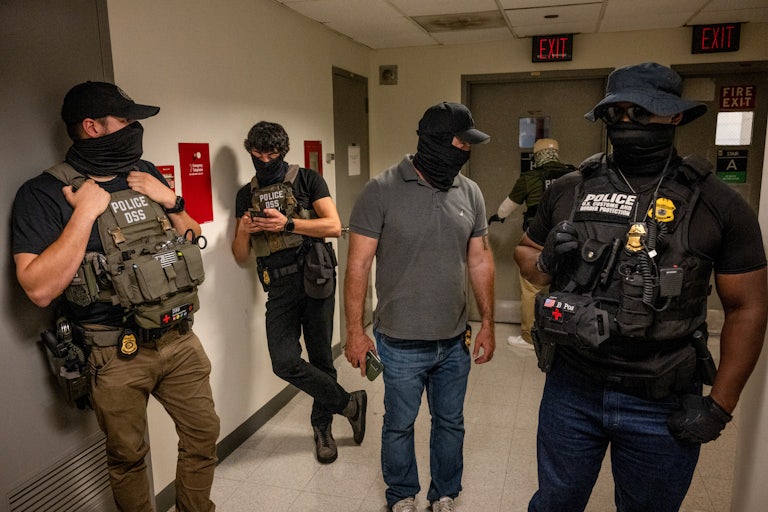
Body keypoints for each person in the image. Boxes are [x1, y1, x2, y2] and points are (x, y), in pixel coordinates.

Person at [514, 62, 767, 512]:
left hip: (660, 398)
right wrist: (548, 258)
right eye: (617, 113)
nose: (627, 122)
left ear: (674, 116)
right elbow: (528, 261)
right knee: (555, 502)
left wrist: (720, 405)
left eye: (642, 111)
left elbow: (747, 307)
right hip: (572, 389)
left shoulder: (717, 203)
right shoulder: (570, 189)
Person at [12, 81, 220, 511]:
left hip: (178, 337)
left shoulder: (143, 172)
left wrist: (172, 198)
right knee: (128, 458)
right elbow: (38, 288)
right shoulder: (43, 193)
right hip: (114, 352)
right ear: (91, 126)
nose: (134, 128)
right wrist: (84, 213)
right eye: (125, 120)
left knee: (203, 435)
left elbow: (193, 236)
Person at [344, 102, 496, 512]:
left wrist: (488, 324)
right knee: (398, 425)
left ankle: (445, 493)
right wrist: (355, 332)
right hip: (398, 341)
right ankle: (402, 496)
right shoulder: (381, 190)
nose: (467, 151)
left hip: (453, 341)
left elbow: (480, 258)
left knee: (450, 423)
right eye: (462, 142)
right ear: (434, 142)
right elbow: (357, 264)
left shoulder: (471, 191)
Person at [231, 121, 367, 465]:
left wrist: (288, 224)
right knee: (284, 361)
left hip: (315, 276)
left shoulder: (308, 179)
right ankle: (349, 403)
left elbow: (334, 226)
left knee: (321, 358)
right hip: (278, 285)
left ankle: (322, 429)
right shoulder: (245, 194)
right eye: (257, 153)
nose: (264, 159)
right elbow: (239, 255)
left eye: (272, 153)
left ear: (283, 151)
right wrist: (244, 231)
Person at [489, 138, 575, 350]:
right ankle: (563, 336)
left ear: (537, 155)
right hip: (570, 238)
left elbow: (506, 208)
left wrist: (496, 217)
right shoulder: (574, 175)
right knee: (567, 283)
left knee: (531, 285)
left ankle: (529, 337)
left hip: (538, 238)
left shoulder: (530, 177)